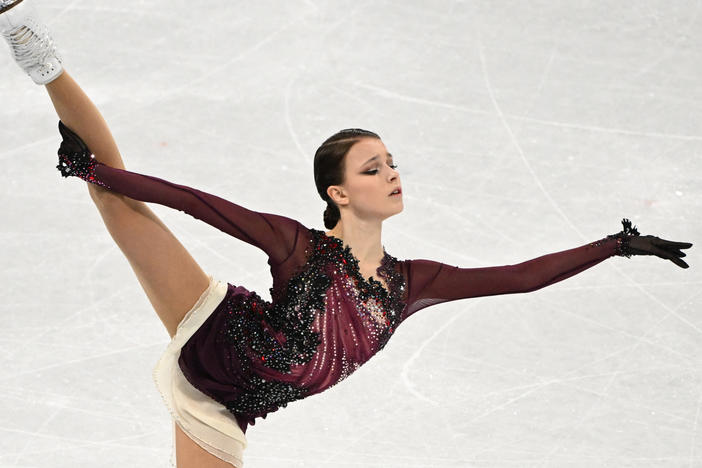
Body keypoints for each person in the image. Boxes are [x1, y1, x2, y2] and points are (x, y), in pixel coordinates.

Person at [1, 1, 693, 467]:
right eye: (373, 167)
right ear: (338, 192)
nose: (392, 173)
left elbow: (518, 277)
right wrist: (98, 172)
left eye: (392, 163)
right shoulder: (298, 248)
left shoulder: (412, 284)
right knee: (114, 197)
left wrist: (616, 245)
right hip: (215, 325)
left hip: (230, 404)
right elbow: (197, 203)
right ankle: (42, 60)